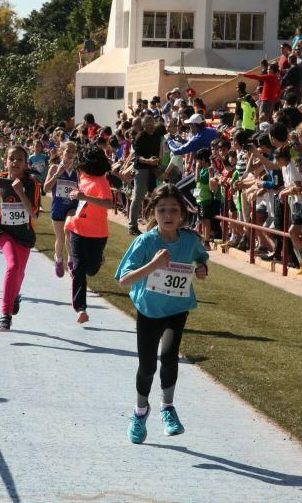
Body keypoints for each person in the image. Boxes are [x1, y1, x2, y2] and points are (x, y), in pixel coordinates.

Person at [116, 184, 209, 444]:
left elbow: (201, 258)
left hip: (177, 309)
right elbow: (123, 280)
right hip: (149, 310)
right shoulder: (145, 242)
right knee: (147, 367)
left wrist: (202, 268)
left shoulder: (190, 240)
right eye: (162, 210)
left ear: (182, 214)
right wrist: (153, 264)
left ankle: (167, 408)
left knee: (169, 356)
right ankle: (139, 412)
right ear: (153, 213)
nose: (168, 215)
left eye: (173, 210)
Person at [0, 146, 41, 331]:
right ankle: (6, 314)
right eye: (12, 158)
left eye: (20, 159)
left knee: (20, 272)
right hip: (4, 230)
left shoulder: (32, 184)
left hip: (25, 233)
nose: (15, 162)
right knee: (13, 266)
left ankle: (15, 294)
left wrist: (19, 191)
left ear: (26, 163)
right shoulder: (0, 177)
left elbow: (34, 214)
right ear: (6, 161)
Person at [65, 146, 115, 324]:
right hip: (78, 229)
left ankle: (98, 258)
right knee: (78, 268)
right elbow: (81, 197)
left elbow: (110, 204)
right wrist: (77, 196)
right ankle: (81, 309)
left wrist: (85, 198)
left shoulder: (101, 181)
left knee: (91, 270)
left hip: (98, 233)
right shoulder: (83, 176)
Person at [43, 141, 79, 277]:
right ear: (61, 153)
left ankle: (70, 261)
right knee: (60, 237)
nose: (70, 154)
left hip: (72, 208)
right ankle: (58, 259)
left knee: (69, 234)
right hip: (58, 207)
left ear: (76, 155)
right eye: (68, 151)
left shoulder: (77, 171)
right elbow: (45, 188)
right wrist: (57, 174)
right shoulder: (54, 168)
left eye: (73, 151)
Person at [128, 115, 164, 235]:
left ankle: (154, 223)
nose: (150, 126)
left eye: (151, 123)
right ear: (143, 126)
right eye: (147, 124)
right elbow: (137, 158)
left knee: (157, 196)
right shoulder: (139, 137)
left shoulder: (157, 136)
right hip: (142, 169)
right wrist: (148, 161)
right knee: (138, 197)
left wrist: (157, 163)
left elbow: (158, 152)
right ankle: (132, 225)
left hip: (153, 168)